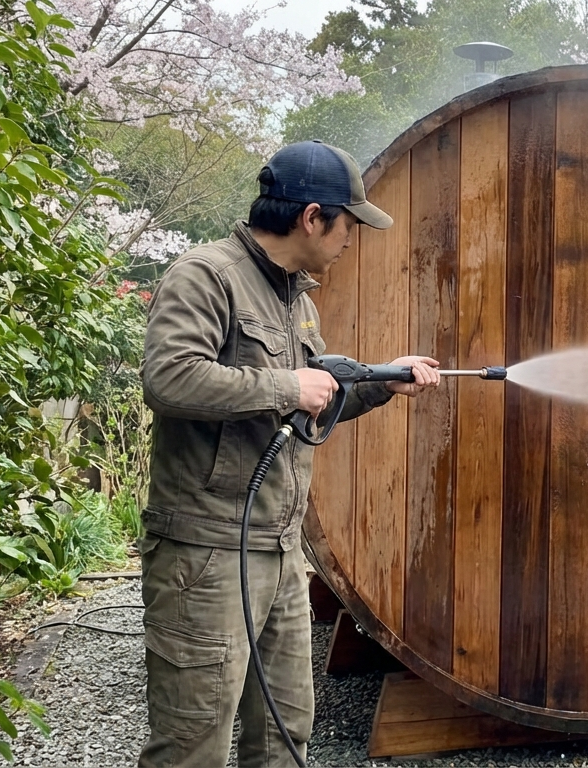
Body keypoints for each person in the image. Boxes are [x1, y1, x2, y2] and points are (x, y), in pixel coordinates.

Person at [137, 140, 440, 767]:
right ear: (312, 217)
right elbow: (167, 379)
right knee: (194, 743)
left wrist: (380, 384)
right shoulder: (206, 275)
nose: (352, 238)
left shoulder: (295, 300)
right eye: (349, 223)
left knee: (284, 732)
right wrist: (285, 384)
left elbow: (311, 408)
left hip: (277, 548)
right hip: (206, 552)